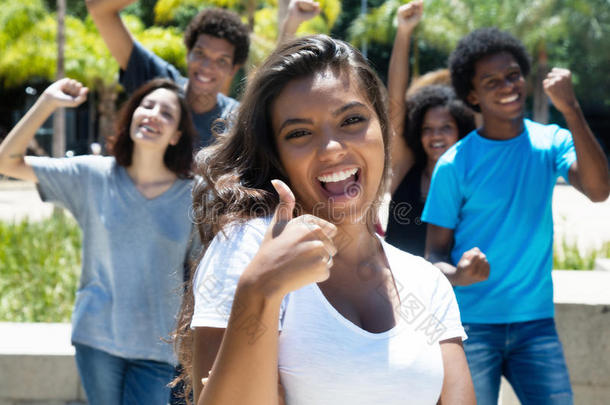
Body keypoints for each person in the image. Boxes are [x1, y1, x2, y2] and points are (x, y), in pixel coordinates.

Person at [172, 34, 475, 405]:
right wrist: (259, 291)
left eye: (351, 120)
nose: (331, 149)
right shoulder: (249, 248)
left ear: (383, 128)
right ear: (276, 155)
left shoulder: (426, 282)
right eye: (299, 132)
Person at [422, 27, 610, 404]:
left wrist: (571, 108)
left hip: (535, 324)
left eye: (512, 75)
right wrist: (459, 274)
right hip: (471, 326)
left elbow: (598, 189)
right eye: (491, 80)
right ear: (472, 95)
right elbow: (433, 258)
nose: (507, 85)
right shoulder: (454, 165)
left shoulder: (551, 141)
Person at [0, 77, 201, 405]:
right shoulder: (91, 176)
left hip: (158, 348)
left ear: (177, 134)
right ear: (132, 115)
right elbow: (6, 161)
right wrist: (48, 102)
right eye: (146, 106)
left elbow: (199, 276)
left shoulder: (192, 195)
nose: (152, 114)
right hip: (96, 340)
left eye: (166, 113)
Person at [86, 0, 250, 148]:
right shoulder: (159, 84)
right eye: (200, 53)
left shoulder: (237, 122)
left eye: (221, 60)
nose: (207, 66)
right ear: (188, 53)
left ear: (233, 69)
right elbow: (99, 9)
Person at [385, 0, 475, 255]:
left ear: (461, 130)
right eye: (427, 128)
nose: (435, 135)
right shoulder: (406, 165)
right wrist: (404, 32)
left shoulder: (472, 173)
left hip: (451, 289)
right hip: (395, 289)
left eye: (446, 127)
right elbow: (395, 100)